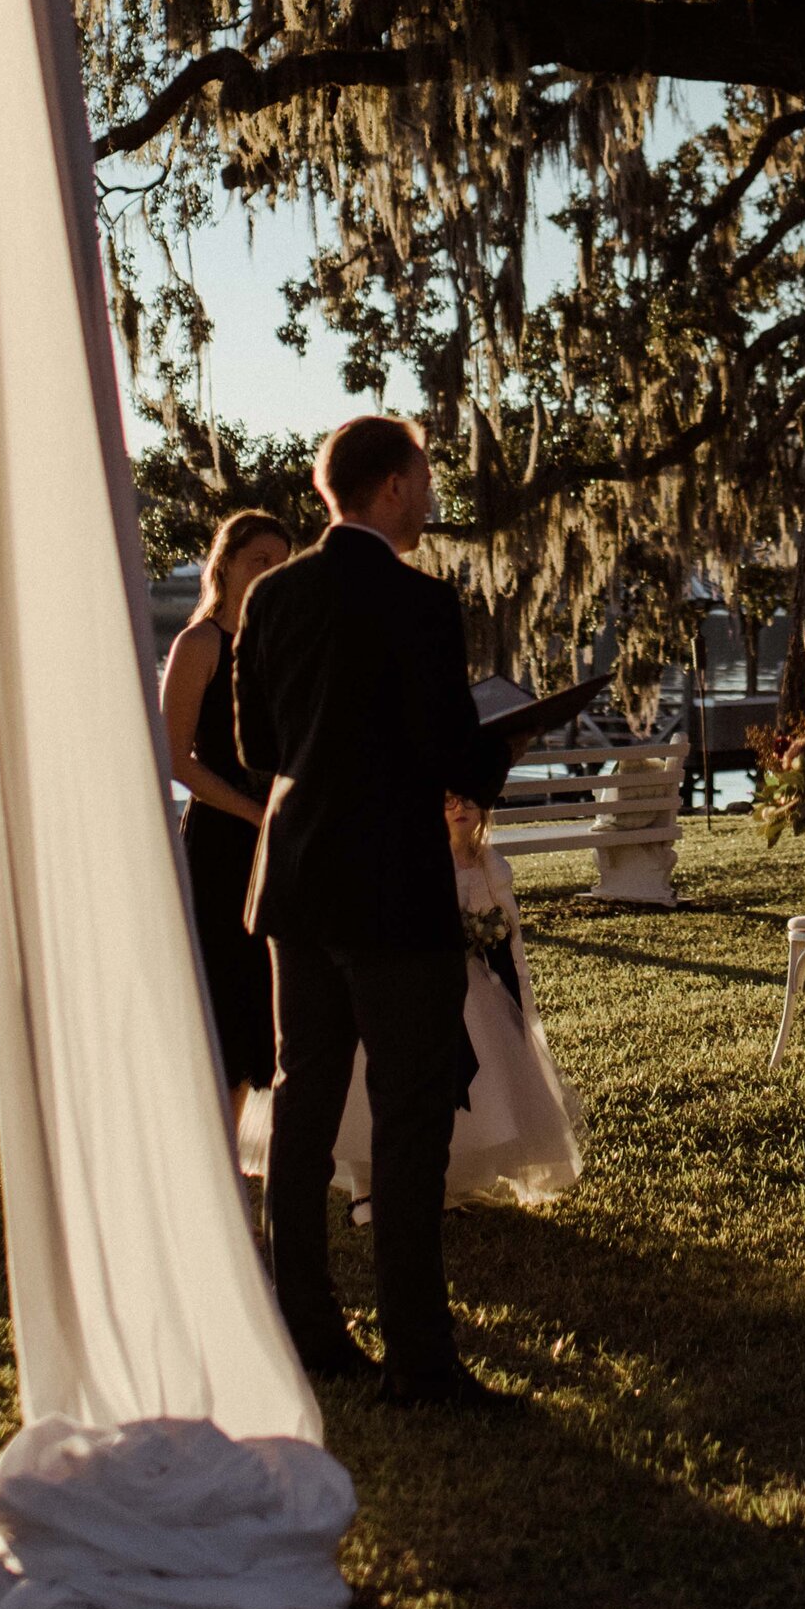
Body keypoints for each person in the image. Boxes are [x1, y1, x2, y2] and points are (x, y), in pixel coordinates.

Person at [236, 410, 516, 1408]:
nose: (431, 492)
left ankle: (304, 1331)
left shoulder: (271, 594)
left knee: (302, 1108)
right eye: (425, 475)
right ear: (392, 486)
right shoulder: (420, 601)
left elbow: (262, 739)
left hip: (298, 879)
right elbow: (449, 745)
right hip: (392, 883)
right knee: (407, 1120)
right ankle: (419, 1358)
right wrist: (504, 742)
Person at [323, 793, 585, 1212]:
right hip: (415, 988)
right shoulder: (418, 858)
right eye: (445, 800)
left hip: (476, 989)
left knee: (472, 1089)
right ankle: (365, 1190)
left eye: (467, 800)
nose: (458, 808)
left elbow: (507, 934)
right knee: (377, 1085)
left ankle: (439, 1182)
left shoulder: (489, 864)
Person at [158, 508, 292, 1114]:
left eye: (280, 565)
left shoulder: (283, 646)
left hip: (279, 839)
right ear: (226, 566)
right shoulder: (200, 643)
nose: (269, 574)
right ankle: (215, 1151)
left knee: (270, 993)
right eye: (257, 561)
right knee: (225, 992)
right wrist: (249, 811)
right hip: (220, 840)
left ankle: (238, 1149)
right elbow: (175, 758)